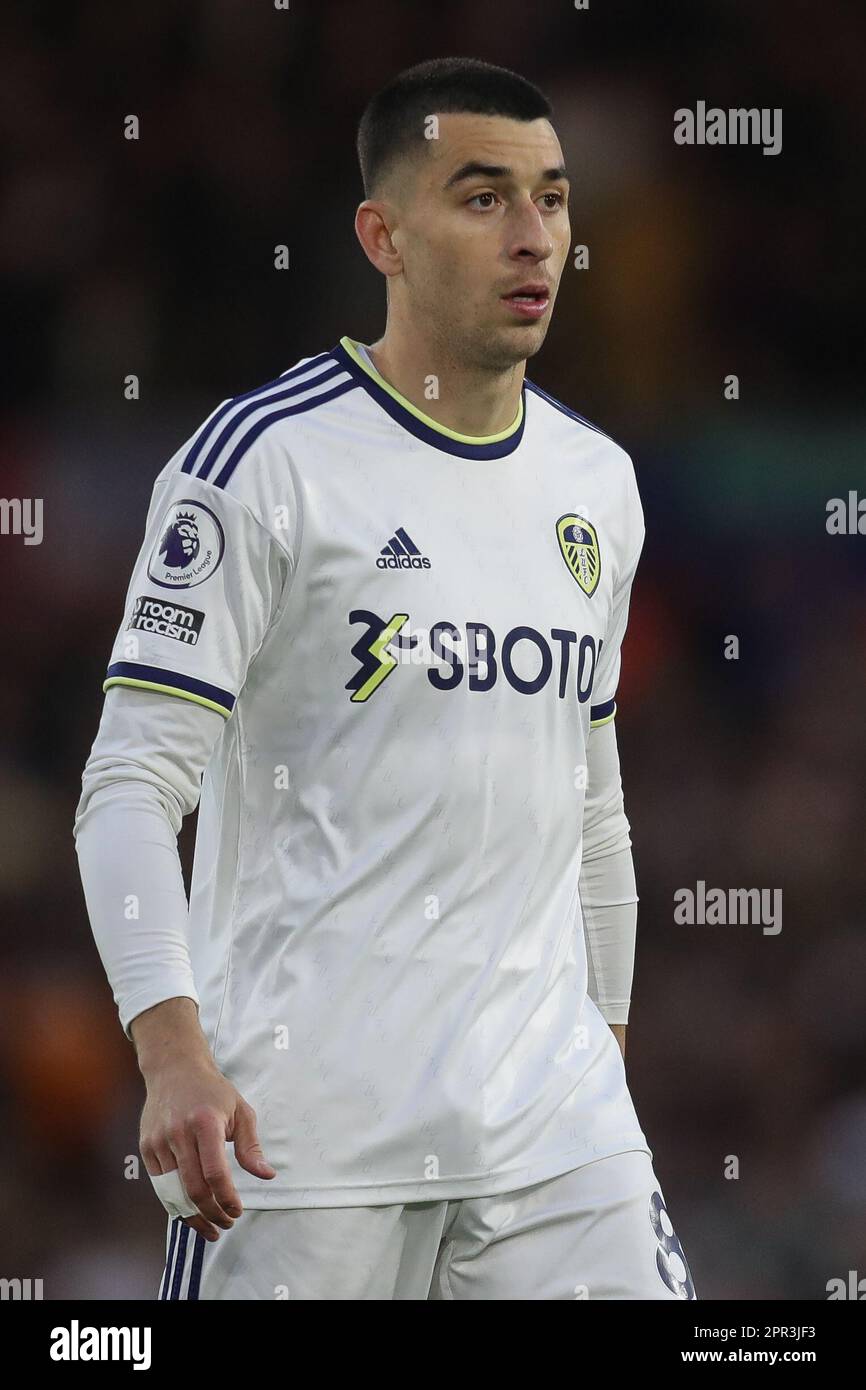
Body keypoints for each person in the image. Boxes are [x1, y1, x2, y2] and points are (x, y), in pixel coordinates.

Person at [74, 55, 696, 1301]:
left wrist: (600, 1057)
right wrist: (172, 1054)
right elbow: (130, 787)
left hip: (552, 1135)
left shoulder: (597, 485)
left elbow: (592, 811)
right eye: (482, 199)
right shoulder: (262, 463)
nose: (535, 238)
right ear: (384, 234)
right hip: (301, 1138)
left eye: (554, 200)